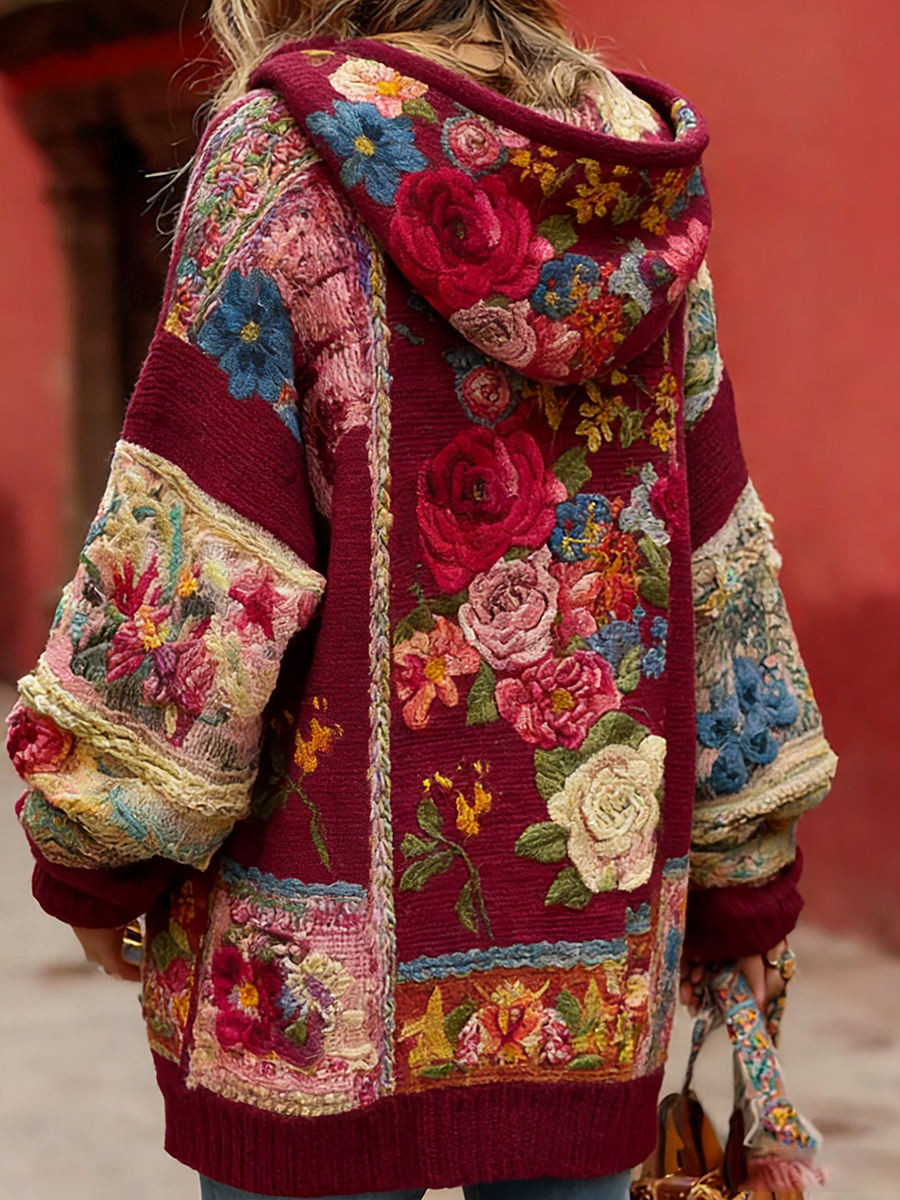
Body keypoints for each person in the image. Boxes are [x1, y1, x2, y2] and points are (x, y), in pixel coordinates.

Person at [7, 2, 838, 1198]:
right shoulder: (628, 167)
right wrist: (746, 878)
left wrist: (99, 850)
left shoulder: (285, 148)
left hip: (308, 982)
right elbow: (712, 551)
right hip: (589, 958)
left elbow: (207, 549)